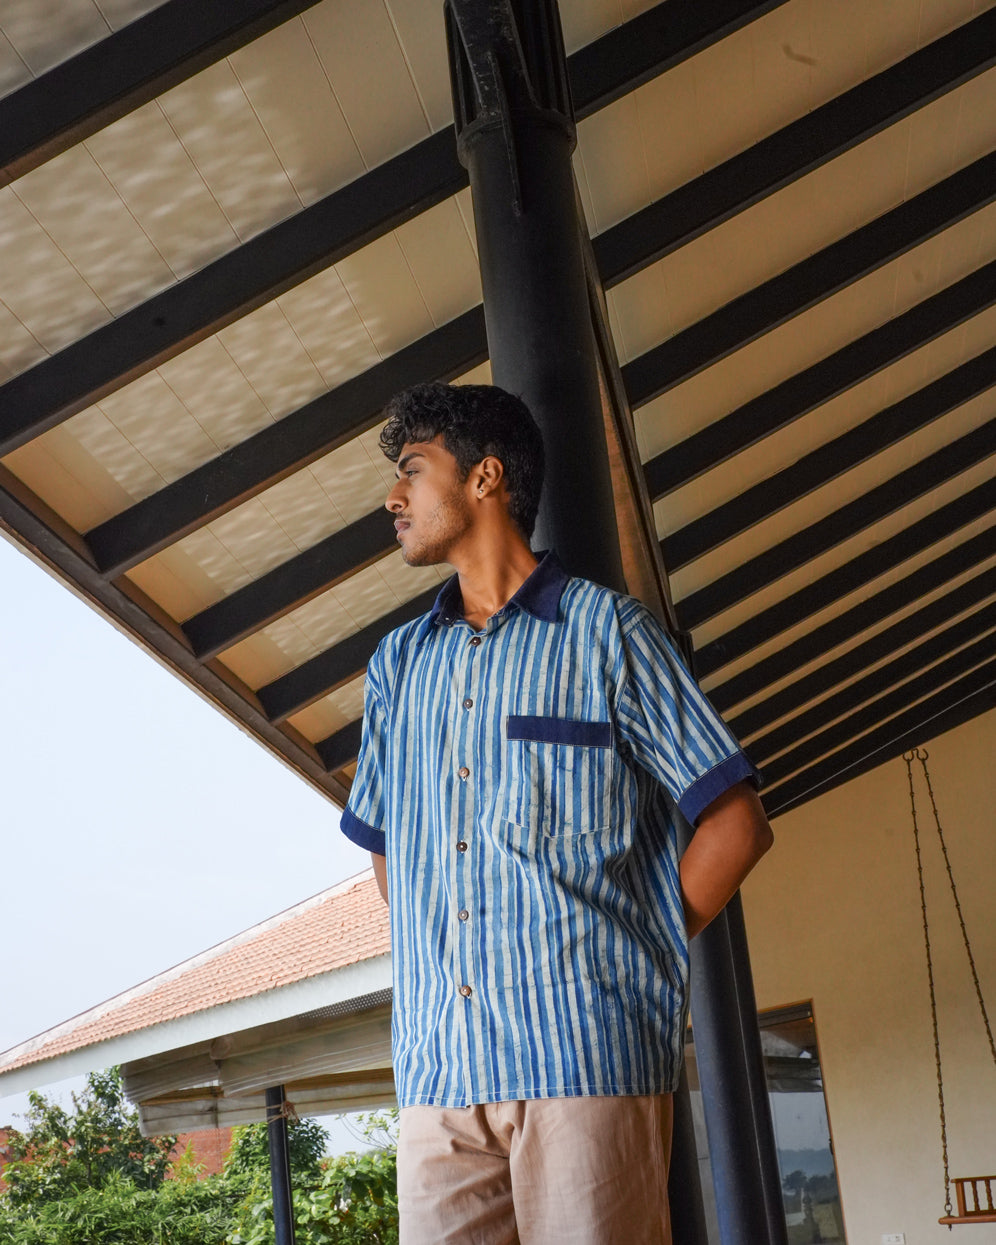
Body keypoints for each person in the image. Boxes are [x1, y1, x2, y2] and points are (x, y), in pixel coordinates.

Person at [340, 382, 773, 1245]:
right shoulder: (397, 666)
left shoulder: (609, 635)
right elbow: (390, 852)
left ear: (485, 478)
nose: (393, 497)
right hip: (439, 1076)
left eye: (412, 471)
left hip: (586, 1057)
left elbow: (735, 821)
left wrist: (637, 945)